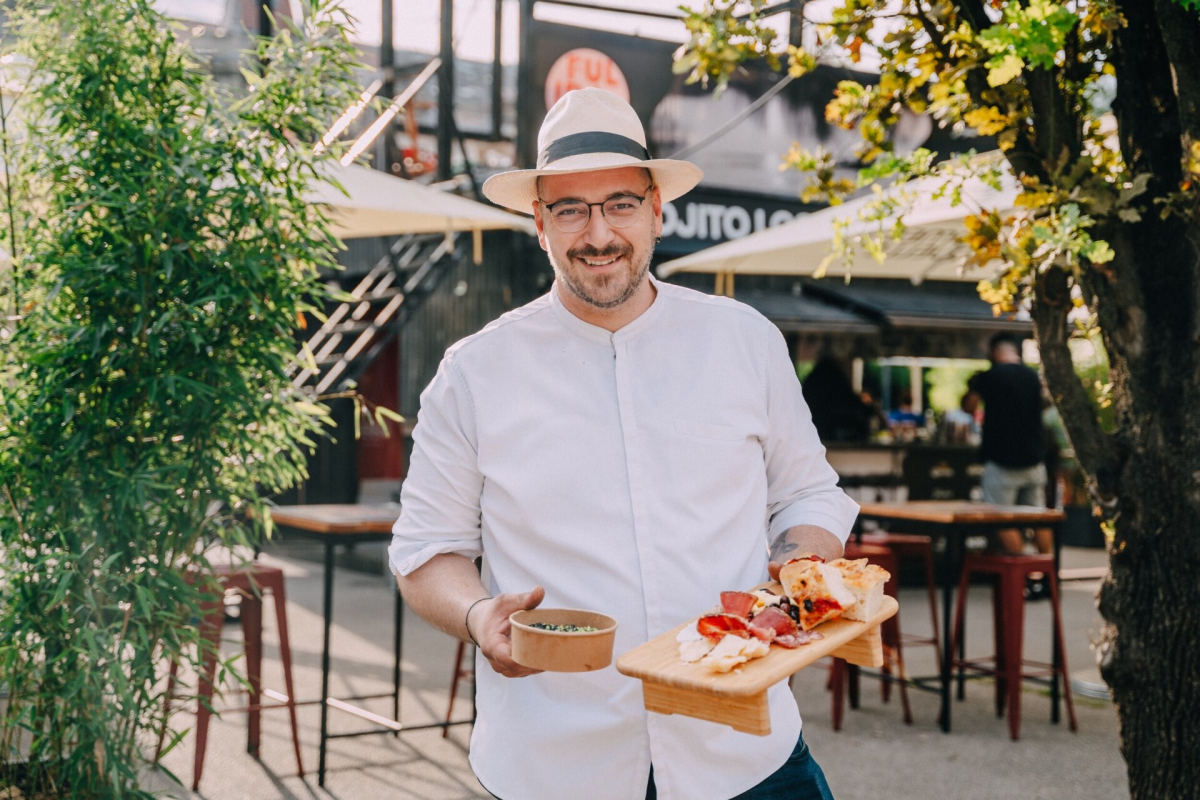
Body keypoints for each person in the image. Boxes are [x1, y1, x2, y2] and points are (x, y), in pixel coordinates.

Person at [389, 88, 859, 800]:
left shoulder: (745, 342)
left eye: (619, 203)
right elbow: (426, 551)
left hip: (745, 751)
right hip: (553, 763)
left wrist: (791, 578)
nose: (598, 233)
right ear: (538, 223)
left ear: (656, 210)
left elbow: (808, 492)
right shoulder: (474, 372)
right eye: (571, 209)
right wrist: (480, 614)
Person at [963, 333, 1052, 567]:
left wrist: (974, 386)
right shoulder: (1033, 377)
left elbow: (968, 407)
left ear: (993, 353)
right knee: (1039, 518)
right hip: (1034, 460)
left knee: (1000, 519)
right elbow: (1047, 404)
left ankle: (1023, 572)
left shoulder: (989, 376)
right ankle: (1045, 572)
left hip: (1002, 462)